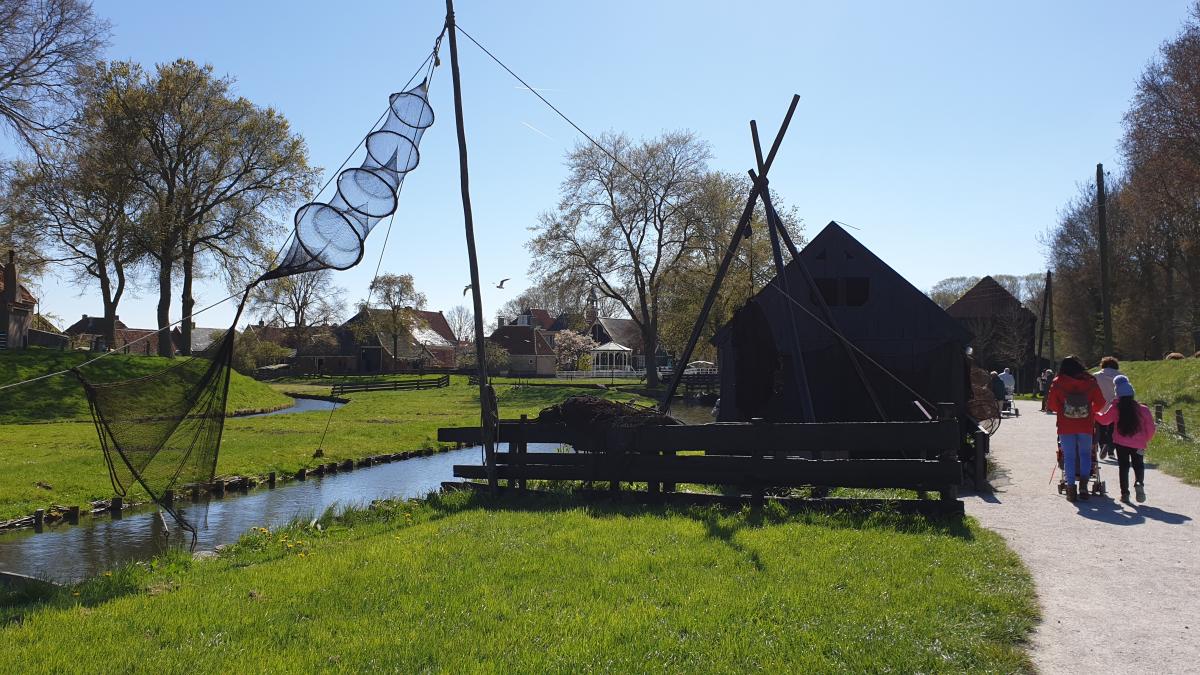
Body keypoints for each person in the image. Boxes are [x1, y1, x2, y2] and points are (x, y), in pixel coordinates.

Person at [1046, 356, 1107, 502]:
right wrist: (1089, 410)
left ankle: (1071, 489)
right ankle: (1084, 487)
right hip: (1085, 424)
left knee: (1069, 456)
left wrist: (1064, 408)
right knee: (1086, 454)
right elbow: (1100, 403)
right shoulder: (1090, 382)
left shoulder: (1058, 382)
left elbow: (1053, 405)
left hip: (1066, 425)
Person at [1095, 375, 1155, 503]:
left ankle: (1125, 494)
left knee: (1124, 467)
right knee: (1138, 465)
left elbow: (1104, 421)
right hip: (1139, 443)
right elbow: (1150, 427)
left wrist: (1094, 413)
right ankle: (1139, 483)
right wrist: (1145, 439)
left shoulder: (1116, 408)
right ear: (1132, 394)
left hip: (1121, 443)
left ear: (1118, 395)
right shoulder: (1143, 409)